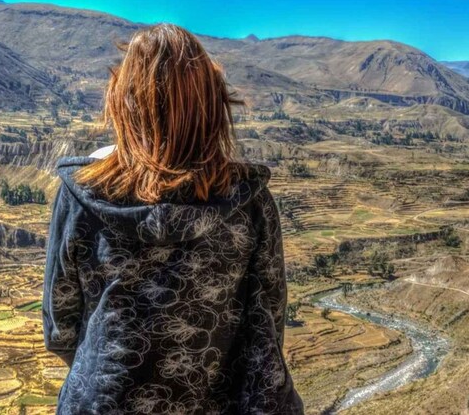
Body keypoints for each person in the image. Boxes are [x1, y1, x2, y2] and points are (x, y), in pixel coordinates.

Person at [42, 24, 304, 414]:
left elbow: (60, 326)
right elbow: (268, 317)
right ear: (213, 106)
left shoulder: (84, 194)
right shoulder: (248, 200)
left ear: (124, 101)